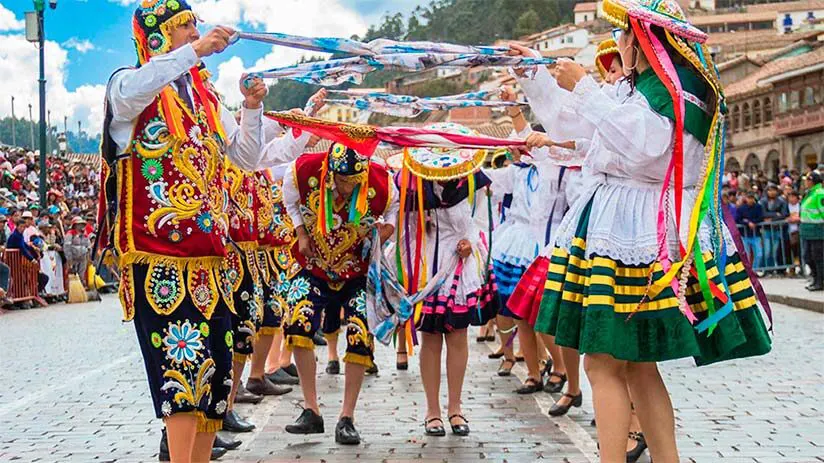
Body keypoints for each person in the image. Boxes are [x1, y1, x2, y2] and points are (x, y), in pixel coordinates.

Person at [510, 0, 772, 459]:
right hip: (626, 224)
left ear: (647, 39)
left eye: (626, 35)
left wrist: (587, 89)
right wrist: (533, 75)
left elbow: (647, 148)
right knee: (634, 365)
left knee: (606, 363)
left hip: (640, 232)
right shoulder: (645, 87)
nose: (620, 43)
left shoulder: (678, 89)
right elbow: (577, 125)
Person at [98, 2, 270, 461]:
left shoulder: (204, 99)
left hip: (211, 260)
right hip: (160, 259)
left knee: (212, 380)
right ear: (158, 36)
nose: (196, 32)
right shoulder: (128, 87)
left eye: (194, 25)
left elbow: (246, 159)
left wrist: (251, 109)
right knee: (182, 373)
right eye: (185, 27)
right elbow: (139, 85)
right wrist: (195, 51)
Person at [282, 141, 397, 445]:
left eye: (353, 181)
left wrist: (388, 229)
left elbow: (395, 208)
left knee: (360, 331)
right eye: (342, 180)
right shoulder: (305, 171)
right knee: (296, 319)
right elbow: (288, 198)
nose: (347, 187)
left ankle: (347, 417)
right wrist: (301, 232)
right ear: (331, 172)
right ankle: (311, 409)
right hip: (313, 264)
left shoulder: (380, 181)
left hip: (357, 271)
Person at [800, 172, 823, 291]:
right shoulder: (809, 193)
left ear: (812, 180)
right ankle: (815, 278)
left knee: (818, 257)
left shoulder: (820, 194)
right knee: (807, 257)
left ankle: (820, 281)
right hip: (807, 230)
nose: (805, 182)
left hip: (817, 230)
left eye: (807, 180)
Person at [758, 184, 789, 271]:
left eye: (773, 190)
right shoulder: (763, 201)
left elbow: (783, 214)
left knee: (774, 251)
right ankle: (767, 269)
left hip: (777, 229)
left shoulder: (781, 201)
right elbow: (763, 214)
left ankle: (771, 269)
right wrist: (776, 214)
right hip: (766, 230)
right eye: (770, 190)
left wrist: (771, 218)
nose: (772, 192)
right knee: (767, 250)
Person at [736, 193, 765, 269]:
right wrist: (747, 223)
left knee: (759, 254)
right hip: (745, 235)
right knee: (747, 255)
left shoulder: (758, 207)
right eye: (749, 198)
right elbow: (738, 219)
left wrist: (753, 222)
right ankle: (748, 271)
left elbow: (761, 217)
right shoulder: (741, 208)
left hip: (756, 235)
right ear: (746, 198)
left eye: (751, 198)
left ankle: (755, 270)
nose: (750, 200)